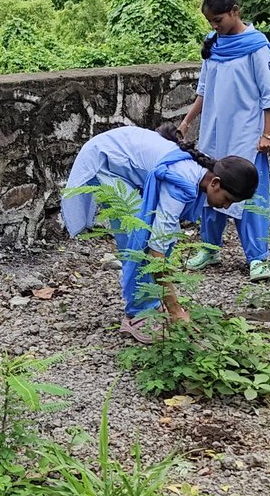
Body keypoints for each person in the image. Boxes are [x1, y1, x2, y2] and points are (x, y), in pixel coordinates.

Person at [63, 124, 257, 339]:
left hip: (124, 156)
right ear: (216, 183)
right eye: (228, 200)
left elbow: (166, 232)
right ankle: (138, 315)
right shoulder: (181, 181)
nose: (226, 207)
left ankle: (152, 301)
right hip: (105, 160)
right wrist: (175, 309)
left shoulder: (206, 172)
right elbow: (157, 250)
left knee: (160, 232)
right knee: (137, 234)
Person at [179, 0, 270, 280]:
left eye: (218, 19)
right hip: (214, 131)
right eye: (210, 21)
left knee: (250, 193)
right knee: (212, 186)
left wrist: (268, 133)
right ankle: (209, 247)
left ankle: (258, 257)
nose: (214, 26)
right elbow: (203, 91)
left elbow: (268, 94)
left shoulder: (256, 45)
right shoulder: (213, 44)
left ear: (235, 11)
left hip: (246, 135)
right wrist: (186, 123)